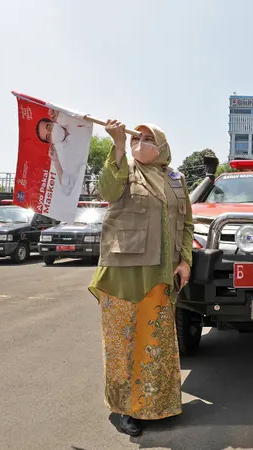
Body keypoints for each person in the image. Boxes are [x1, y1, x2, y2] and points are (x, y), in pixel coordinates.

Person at [88, 119, 193, 437]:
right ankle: (125, 410)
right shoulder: (124, 168)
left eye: (148, 138)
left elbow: (187, 221)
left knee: (156, 344)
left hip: (161, 275)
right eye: (137, 137)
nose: (140, 142)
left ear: (161, 147)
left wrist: (185, 261)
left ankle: (158, 406)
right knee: (124, 344)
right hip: (124, 273)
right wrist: (118, 145)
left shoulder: (176, 178)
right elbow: (106, 190)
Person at [36, 109, 89, 196]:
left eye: (49, 127)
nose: (51, 133)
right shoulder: (65, 157)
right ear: (51, 142)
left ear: (53, 122)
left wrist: (57, 110)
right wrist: (56, 162)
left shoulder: (71, 119)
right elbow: (67, 189)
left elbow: (87, 117)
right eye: (48, 137)